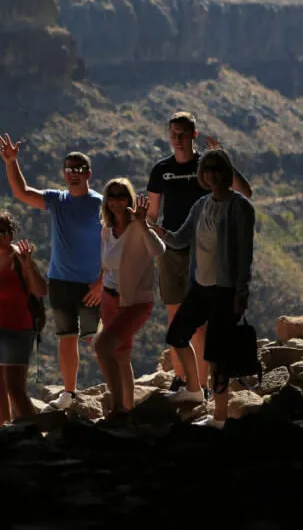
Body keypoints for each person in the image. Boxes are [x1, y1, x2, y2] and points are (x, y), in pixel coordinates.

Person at [145, 112, 252, 398]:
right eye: (173, 134)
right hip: (170, 249)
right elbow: (152, 214)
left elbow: (244, 192)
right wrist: (149, 238)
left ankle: (202, 385)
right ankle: (182, 380)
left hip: (203, 253)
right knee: (174, 316)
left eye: (183, 134)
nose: (178, 139)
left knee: (200, 323)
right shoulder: (161, 170)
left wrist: (223, 159)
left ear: (194, 134)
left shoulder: (207, 166)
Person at [0, 133, 103, 411]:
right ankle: (69, 392)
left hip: (92, 285)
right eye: (69, 169)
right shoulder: (57, 200)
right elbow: (22, 192)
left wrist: (102, 282)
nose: (74, 174)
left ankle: (117, 390)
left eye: (79, 169)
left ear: (89, 173)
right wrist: (11, 162)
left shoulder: (100, 204)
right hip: (60, 281)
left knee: (98, 339)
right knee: (66, 337)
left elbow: (115, 244)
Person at [92, 180, 166, 418]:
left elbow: (158, 250)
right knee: (121, 355)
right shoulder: (107, 229)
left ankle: (117, 408)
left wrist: (143, 224)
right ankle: (128, 410)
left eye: (121, 195)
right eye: (111, 196)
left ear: (130, 198)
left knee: (102, 346)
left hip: (134, 302)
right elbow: (107, 265)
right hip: (110, 299)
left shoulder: (138, 226)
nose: (116, 201)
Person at [0, 210, 47, 426]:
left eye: (2, 232)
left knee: (15, 389)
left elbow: (41, 290)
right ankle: (1, 434)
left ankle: (34, 435)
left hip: (15, 331)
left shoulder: (18, 259)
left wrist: (28, 264)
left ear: (11, 235)